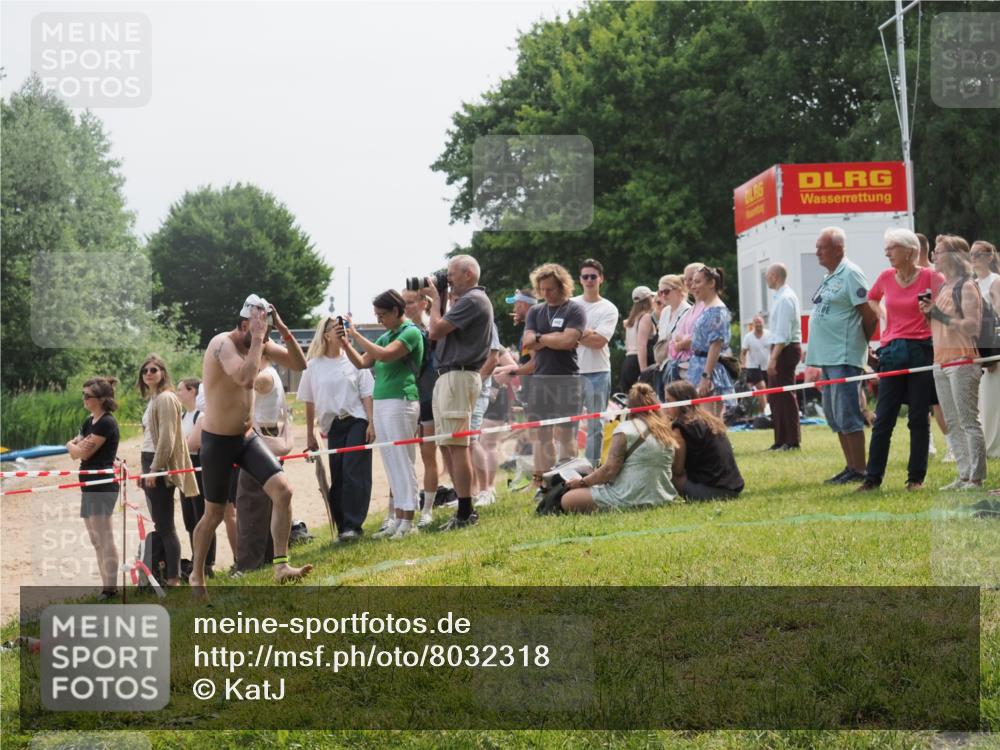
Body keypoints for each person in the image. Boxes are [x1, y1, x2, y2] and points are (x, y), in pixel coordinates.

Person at [191, 294, 310, 590]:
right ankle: (196, 574)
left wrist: (280, 329)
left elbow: (300, 363)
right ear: (245, 324)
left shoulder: (261, 341)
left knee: (283, 491)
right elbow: (245, 379)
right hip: (217, 441)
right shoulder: (222, 344)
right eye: (258, 329)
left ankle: (281, 566)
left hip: (246, 437)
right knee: (214, 514)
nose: (264, 337)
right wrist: (259, 340)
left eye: (266, 331)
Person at [858, 230, 944, 492]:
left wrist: (932, 312)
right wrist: (883, 313)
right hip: (893, 352)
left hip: (921, 350)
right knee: (883, 418)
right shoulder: (885, 278)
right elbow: (871, 297)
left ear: (909, 251)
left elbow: (951, 310)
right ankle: (872, 479)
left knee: (918, 417)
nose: (886, 253)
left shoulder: (932, 277)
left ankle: (915, 479)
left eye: (891, 248)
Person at [339, 290, 423, 539]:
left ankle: (409, 520)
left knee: (402, 460)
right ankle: (399, 517)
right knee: (390, 461)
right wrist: (346, 343)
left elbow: (386, 355)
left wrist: (355, 334)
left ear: (397, 312)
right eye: (377, 315)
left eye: (382, 315)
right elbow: (362, 362)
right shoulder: (386, 335)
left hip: (402, 400)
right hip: (384, 402)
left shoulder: (410, 332)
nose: (379, 320)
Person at [498, 263, 586, 487]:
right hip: (539, 381)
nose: (545, 294)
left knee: (566, 437)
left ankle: (568, 484)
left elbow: (568, 341)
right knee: (541, 437)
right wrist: (551, 338)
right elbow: (528, 341)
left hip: (567, 380)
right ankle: (542, 485)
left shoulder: (574, 310)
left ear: (563, 287)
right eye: (542, 289)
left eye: (551, 289)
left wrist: (541, 338)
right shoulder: (537, 311)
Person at [425, 255, 495, 530]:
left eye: (452, 274)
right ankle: (463, 509)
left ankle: (466, 511)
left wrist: (435, 300)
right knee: (449, 446)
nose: (448, 278)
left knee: (457, 446)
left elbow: (436, 330)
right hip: (450, 375)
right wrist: (440, 301)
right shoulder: (465, 301)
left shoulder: (474, 300)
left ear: (468, 274)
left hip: (459, 375)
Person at [805, 228, 879, 483]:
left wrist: (862, 345)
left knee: (847, 413)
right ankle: (850, 467)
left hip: (843, 355)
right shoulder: (831, 276)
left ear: (838, 249)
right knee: (834, 415)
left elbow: (869, 315)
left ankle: (860, 469)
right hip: (828, 356)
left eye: (821, 247)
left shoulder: (851, 273)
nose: (817, 252)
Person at [919, 235, 987, 490]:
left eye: (938, 251)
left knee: (969, 421)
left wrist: (938, 314)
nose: (934, 255)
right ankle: (963, 474)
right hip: (941, 363)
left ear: (954, 256)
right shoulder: (944, 288)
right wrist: (929, 316)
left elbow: (972, 326)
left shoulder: (967, 287)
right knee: (953, 421)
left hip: (962, 360)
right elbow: (941, 326)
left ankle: (976, 477)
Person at [300, 316, 375, 540]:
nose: (341, 331)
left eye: (343, 328)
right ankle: (342, 525)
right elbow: (309, 401)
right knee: (339, 474)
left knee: (354, 471)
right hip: (332, 425)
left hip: (356, 419)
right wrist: (309, 434)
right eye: (336, 328)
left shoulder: (354, 360)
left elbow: (367, 393)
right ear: (326, 334)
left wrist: (371, 422)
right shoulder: (312, 366)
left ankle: (354, 525)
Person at [558, 383, 679, 512]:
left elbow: (609, 470)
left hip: (628, 497)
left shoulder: (625, 429)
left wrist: (582, 482)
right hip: (662, 497)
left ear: (629, 407)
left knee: (567, 499)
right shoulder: (666, 431)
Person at [136, 355, 197, 587]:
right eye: (145, 370)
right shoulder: (154, 399)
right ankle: (167, 573)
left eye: (153, 369)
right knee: (160, 523)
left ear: (162, 372)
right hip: (149, 460)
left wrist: (154, 469)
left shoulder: (166, 398)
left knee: (165, 525)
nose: (149, 373)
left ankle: (173, 578)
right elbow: (149, 437)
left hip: (157, 463)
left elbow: (167, 438)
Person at [65, 377, 121, 600]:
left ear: (100, 399)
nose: (84, 399)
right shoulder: (90, 421)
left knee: (104, 536)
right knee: (95, 539)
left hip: (101, 483)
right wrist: (74, 447)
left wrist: (73, 445)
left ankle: (111, 589)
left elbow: (82, 452)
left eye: (88, 396)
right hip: (88, 483)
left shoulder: (107, 422)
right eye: (83, 394)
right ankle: (105, 587)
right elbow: (73, 453)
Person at [664, 380, 745, 500]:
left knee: (670, 475)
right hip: (733, 487)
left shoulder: (680, 427)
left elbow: (678, 470)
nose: (665, 406)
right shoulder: (710, 419)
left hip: (712, 491)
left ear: (681, 402)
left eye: (668, 401)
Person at [572, 259, 620, 463]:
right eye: (585, 276)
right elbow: (561, 336)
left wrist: (574, 334)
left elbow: (599, 342)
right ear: (580, 280)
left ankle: (592, 467)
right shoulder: (571, 305)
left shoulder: (609, 308)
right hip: (571, 371)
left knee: (595, 424)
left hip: (598, 371)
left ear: (601, 279)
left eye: (593, 276)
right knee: (569, 425)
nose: (589, 280)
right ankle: (568, 467)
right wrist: (587, 333)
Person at [402, 290, 441, 526]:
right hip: (406, 397)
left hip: (428, 397)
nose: (406, 307)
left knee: (429, 454)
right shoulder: (400, 332)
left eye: (409, 302)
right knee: (402, 456)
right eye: (402, 303)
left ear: (423, 303)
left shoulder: (432, 328)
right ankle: (399, 511)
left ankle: (427, 509)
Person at [177, 377, 215, 576]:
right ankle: (196, 558)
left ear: (192, 391)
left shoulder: (200, 415)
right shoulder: (184, 416)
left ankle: (207, 562)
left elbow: (193, 443)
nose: (178, 393)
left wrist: (180, 443)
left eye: (181, 389)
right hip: (184, 468)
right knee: (189, 518)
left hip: (198, 467)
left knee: (202, 515)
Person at [686, 266, 735, 416]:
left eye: (697, 282)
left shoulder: (717, 311)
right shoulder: (707, 308)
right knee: (699, 420)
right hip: (697, 367)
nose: (693, 287)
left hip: (709, 371)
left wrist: (706, 377)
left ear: (711, 283)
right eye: (692, 282)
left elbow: (715, 346)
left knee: (710, 423)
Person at [764, 263, 802, 450]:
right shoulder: (779, 297)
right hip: (780, 348)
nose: (766, 278)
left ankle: (792, 440)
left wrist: (773, 358)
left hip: (784, 349)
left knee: (786, 395)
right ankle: (780, 439)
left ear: (775, 277)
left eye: (768, 275)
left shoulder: (786, 298)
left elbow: (783, 333)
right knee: (775, 397)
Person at [972, 240, 1000, 458]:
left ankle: (994, 449)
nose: (973, 258)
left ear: (989, 257)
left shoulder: (996, 282)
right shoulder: (971, 283)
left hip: (992, 350)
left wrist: (992, 353)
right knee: (980, 403)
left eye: (977, 254)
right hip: (975, 352)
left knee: (992, 402)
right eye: (970, 254)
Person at [666, 262, 708, 384]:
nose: (690, 283)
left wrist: (682, 342)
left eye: (694, 279)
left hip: (701, 368)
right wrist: (684, 341)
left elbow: (701, 340)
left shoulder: (709, 307)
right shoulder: (690, 310)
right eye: (687, 279)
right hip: (684, 367)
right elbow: (675, 339)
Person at [654, 274, 692, 398]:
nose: (663, 295)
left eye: (666, 291)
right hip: (664, 365)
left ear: (679, 291)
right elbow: (662, 338)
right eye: (660, 292)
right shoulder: (665, 312)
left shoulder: (688, 311)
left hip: (681, 367)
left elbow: (683, 340)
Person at [620, 286, 656, 393]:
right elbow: (641, 345)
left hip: (628, 362)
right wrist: (644, 372)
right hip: (639, 362)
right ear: (649, 299)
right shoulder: (645, 317)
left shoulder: (630, 321)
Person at [740, 315, 770, 415]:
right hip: (753, 367)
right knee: (762, 387)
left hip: (767, 367)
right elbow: (743, 353)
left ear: (763, 323)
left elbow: (774, 349)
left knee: (766, 392)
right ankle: (767, 413)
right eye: (756, 322)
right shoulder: (748, 337)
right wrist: (743, 364)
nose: (758, 324)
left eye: (760, 322)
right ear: (753, 324)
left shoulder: (769, 334)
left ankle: (761, 415)